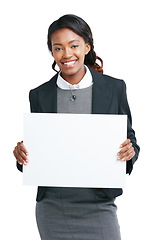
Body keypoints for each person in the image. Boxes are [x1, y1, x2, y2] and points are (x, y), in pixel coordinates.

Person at [13, 14, 140, 240]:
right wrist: (21, 155)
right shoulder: (40, 95)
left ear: (87, 47)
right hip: (53, 206)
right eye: (58, 48)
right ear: (52, 52)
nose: (67, 54)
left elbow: (130, 139)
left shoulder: (114, 88)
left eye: (74, 45)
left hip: (99, 204)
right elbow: (39, 150)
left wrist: (129, 152)